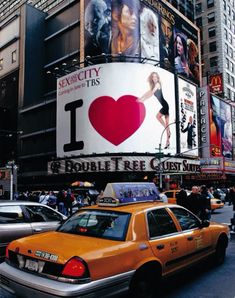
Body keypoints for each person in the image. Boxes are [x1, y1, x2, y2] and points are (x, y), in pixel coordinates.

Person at [138, 72, 170, 149]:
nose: (154, 78)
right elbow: (149, 92)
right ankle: (167, 141)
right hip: (165, 105)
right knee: (165, 123)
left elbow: (152, 93)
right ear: (152, 78)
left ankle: (167, 133)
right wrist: (141, 97)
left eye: (156, 77)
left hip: (165, 106)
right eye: (153, 77)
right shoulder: (153, 86)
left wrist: (143, 100)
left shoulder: (158, 84)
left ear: (158, 78)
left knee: (158, 117)